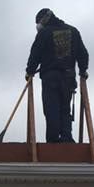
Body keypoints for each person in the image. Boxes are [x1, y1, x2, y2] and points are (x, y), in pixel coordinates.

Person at [26, 8, 89, 143]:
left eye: (38, 22)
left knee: (51, 109)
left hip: (50, 78)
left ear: (44, 19)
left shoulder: (44, 33)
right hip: (68, 77)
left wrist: (30, 71)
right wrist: (83, 71)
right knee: (65, 109)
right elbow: (83, 54)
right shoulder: (73, 31)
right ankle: (66, 139)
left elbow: (35, 54)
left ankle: (53, 141)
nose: (38, 25)